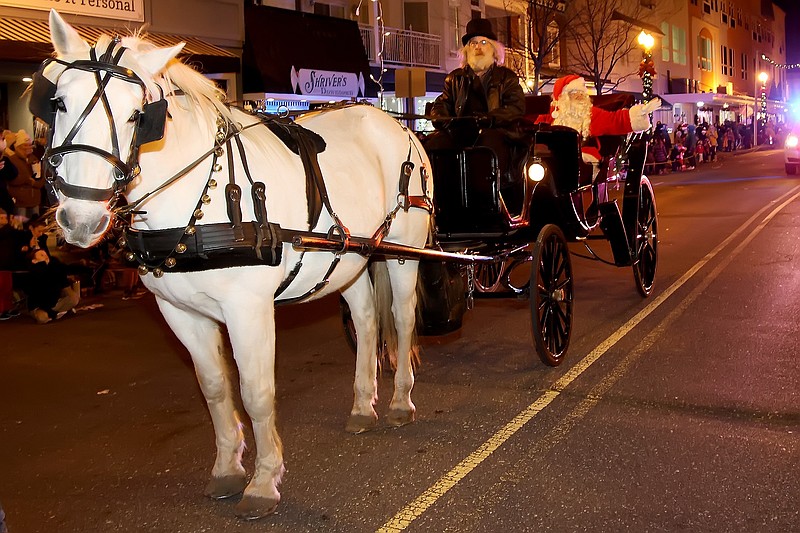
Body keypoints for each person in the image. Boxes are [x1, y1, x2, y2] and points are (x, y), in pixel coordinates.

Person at [426, 18, 525, 181]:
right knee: (435, 145)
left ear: (493, 49)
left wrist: (490, 118)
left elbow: (516, 108)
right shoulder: (454, 78)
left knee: (485, 147)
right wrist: (442, 118)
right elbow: (442, 104)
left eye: (484, 42)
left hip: (497, 132)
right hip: (459, 132)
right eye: (473, 43)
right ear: (466, 50)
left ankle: (486, 198)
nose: (478, 47)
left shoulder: (507, 78)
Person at [535, 75, 660, 174]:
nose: (579, 97)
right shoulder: (549, 117)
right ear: (563, 98)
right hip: (551, 158)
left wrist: (640, 112)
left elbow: (614, 120)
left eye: (581, 94)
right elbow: (534, 131)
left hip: (583, 157)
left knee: (583, 161)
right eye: (573, 94)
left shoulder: (591, 114)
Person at [24, 247, 80, 324]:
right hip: (39, 305)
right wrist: (43, 266)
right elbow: (32, 291)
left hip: (54, 302)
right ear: (34, 261)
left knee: (74, 298)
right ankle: (56, 313)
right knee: (42, 318)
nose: (45, 256)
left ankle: (58, 312)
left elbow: (63, 281)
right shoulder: (32, 273)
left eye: (45, 254)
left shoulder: (54, 267)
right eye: (41, 255)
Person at [6, 130, 44, 220]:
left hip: (34, 201)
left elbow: (41, 178)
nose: (28, 147)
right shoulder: (11, 160)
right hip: (20, 202)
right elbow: (11, 179)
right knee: (21, 227)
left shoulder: (34, 159)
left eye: (29, 145)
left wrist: (35, 183)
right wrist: (27, 179)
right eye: (25, 145)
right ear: (18, 146)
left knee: (35, 226)